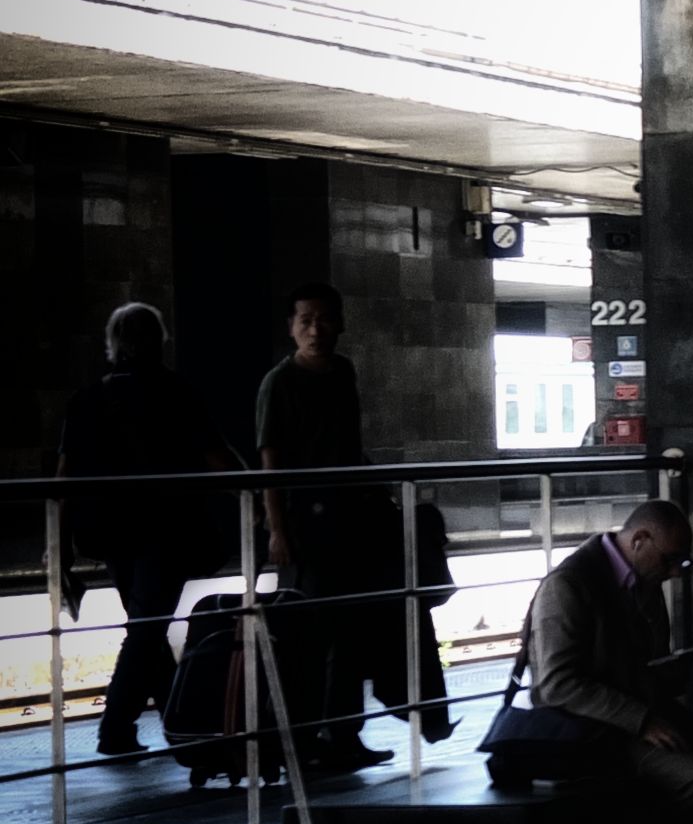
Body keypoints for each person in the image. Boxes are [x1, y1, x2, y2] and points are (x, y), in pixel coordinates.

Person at [257, 281, 444, 770]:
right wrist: (277, 529)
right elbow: (270, 463)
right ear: (291, 327)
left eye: (323, 319)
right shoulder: (279, 383)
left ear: (339, 324)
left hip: (349, 520)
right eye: (305, 321)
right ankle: (310, 739)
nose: (315, 330)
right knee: (312, 635)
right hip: (306, 524)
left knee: (350, 633)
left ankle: (343, 734)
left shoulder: (342, 371)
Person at [520, 500, 693, 824]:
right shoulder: (567, 585)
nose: (673, 572)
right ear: (640, 540)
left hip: (633, 721)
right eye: (670, 559)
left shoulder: (643, 578)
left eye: (681, 562)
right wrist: (640, 719)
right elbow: (556, 685)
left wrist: (671, 671)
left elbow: (643, 662)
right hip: (591, 732)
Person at [55, 304, 239, 754]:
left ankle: (183, 726)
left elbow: (64, 478)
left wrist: (58, 547)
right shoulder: (176, 392)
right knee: (147, 629)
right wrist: (257, 497)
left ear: (113, 345)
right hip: (167, 528)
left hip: (112, 532)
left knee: (147, 627)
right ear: (160, 341)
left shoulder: (87, 399)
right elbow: (217, 457)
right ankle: (116, 727)